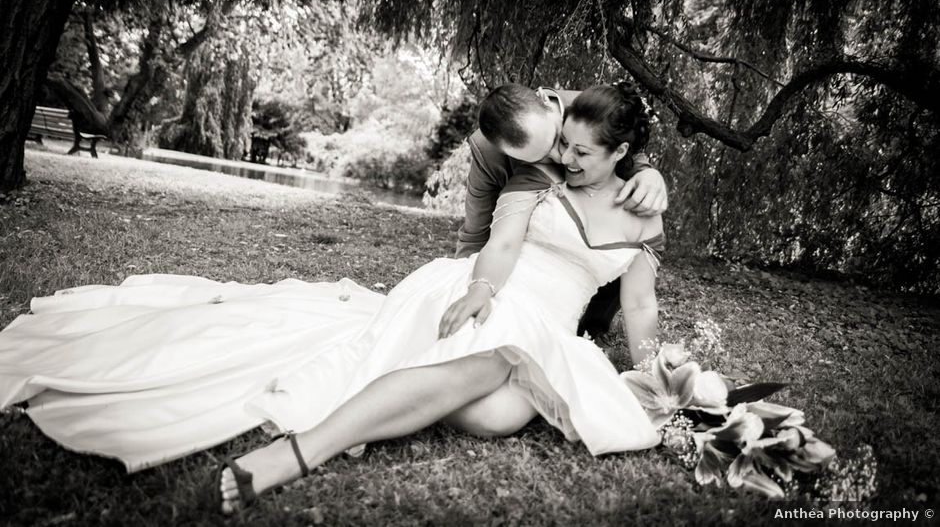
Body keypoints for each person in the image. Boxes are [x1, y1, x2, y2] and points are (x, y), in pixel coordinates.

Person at [0, 83, 663, 515]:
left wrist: (656, 369)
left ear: (621, 152)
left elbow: (639, 305)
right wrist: (482, 288)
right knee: (501, 351)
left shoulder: (642, 210)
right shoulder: (537, 176)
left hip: (554, 326)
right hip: (495, 296)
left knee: (496, 416)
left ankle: (467, 375)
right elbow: (504, 241)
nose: (566, 159)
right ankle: (302, 452)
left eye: (580, 152)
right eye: (563, 147)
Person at [460, 83, 668, 337]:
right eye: (540, 157)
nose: (562, 159)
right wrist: (472, 286)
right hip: (518, 250)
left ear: (552, 109)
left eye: (558, 140)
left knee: (615, 235)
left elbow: (619, 144)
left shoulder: (587, 108)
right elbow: (478, 232)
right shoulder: (488, 152)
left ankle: (594, 327)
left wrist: (648, 173)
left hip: (572, 292)